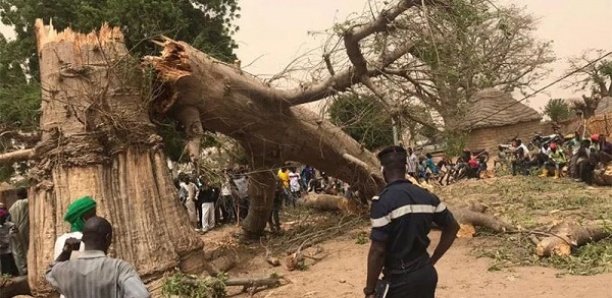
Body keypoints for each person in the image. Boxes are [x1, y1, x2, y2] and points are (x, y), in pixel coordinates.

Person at [364, 146, 459, 298]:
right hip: (426, 274)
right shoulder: (427, 196)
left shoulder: (382, 202)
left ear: (383, 171)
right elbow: (452, 227)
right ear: (406, 168)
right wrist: (433, 259)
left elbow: (378, 251)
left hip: (400, 280)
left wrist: (369, 290)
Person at [46, 217, 149, 298]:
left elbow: (50, 273)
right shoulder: (119, 268)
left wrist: (67, 252)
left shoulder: (67, 270)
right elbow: (142, 295)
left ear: (83, 238)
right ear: (108, 238)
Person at [53, 196, 97, 260]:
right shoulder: (88, 240)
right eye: (93, 215)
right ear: (83, 219)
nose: (96, 218)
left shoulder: (60, 239)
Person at [8, 188, 28, 275]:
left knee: (20, 251)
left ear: (17, 195)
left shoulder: (12, 207)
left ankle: (23, 270)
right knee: (28, 249)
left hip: (16, 231)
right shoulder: (27, 202)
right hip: (27, 230)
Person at [0, 208, 19, 276]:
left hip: (9, 249)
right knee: (4, 263)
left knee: (10, 262)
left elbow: (15, 230)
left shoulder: (9, 225)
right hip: (2, 249)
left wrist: (12, 232)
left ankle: (12, 274)